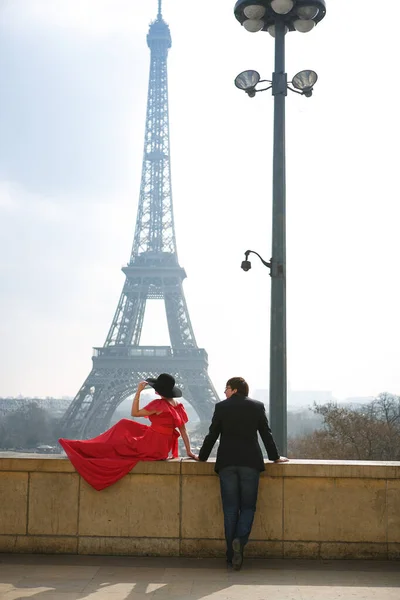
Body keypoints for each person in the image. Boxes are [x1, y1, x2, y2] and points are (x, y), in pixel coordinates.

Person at [198, 376, 289, 571]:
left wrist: (202, 457)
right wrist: (275, 457)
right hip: (250, 463)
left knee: (230, 510)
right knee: (248, 508)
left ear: (234, 389)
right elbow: (266, 433)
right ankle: (240, 540)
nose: (224, 392)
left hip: (227, 463)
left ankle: (231, 555)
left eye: (226, 388)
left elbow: (212, 434)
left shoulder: (221, 407)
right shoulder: (257, 406)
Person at [59, 373, 196, 491]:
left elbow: (134, 413)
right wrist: (189, 451)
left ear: (159, 390)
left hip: (151, 445)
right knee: (125, 425)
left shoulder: (158, 405)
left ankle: (82, 447)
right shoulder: (178, 406)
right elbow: (183, 431)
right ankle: (89, 446)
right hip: (162, 448)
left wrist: (138, 392)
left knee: (118, 437)